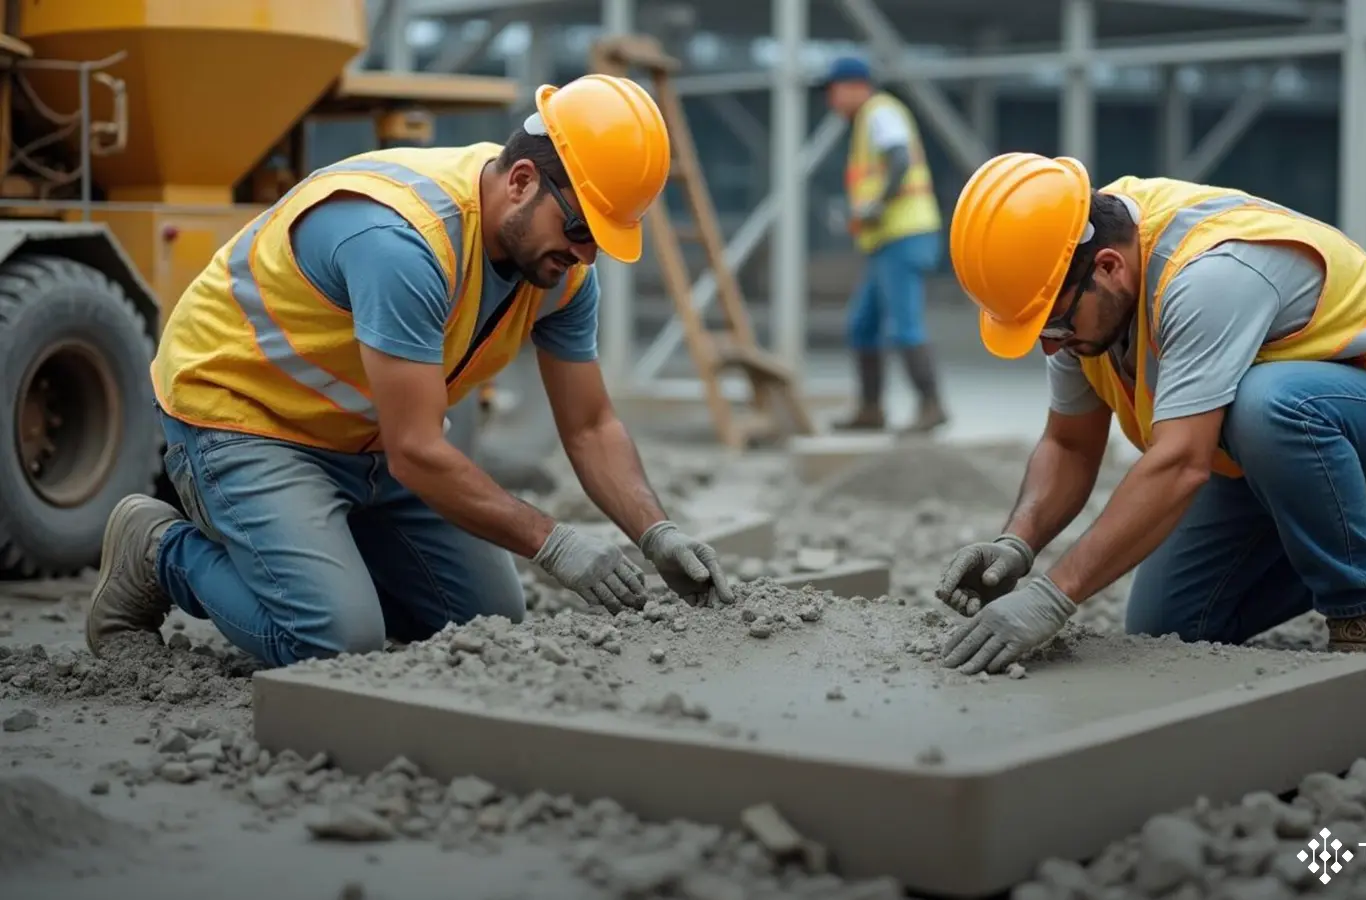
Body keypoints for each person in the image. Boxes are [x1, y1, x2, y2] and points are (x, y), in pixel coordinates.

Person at [84, 74, 733, 667]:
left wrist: (655, 532)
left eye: (601, 239)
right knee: (332, 642)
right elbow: (419, 452)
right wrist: (554, 542)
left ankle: (324, 563)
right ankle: (159, 549)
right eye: (579, 226)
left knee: (486, 618)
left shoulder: (558, 271)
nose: (585, 253)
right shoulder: (401, 242)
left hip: (365, 440)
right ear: (522, 182)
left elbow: (590, 425)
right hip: (244, 422)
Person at [934, 153, 1366, 690]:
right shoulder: (1076, 275)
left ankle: (1364, 625)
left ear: (1107, 267)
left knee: (1270, 403)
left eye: (1052, 326)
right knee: (1168, 624)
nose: (1048, 346)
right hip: (1285, 450)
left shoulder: (1208, 275)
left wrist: (1052, 596)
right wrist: (1018, 543)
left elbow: (1182, 463)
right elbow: (1071, 444)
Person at [822, 56, 949, 434]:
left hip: (904, 235)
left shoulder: (880, 112)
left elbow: (899, 157)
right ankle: (871, 409)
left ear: (855, 86)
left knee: (905, 325)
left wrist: (876, 204)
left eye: (833, 91)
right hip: (886, 241)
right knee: (862, 325)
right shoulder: (868, 121)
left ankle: (931, 404)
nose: (832, 102)